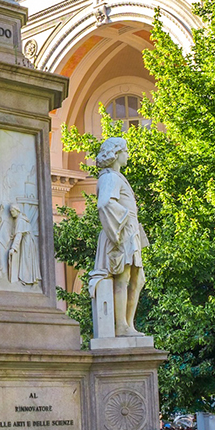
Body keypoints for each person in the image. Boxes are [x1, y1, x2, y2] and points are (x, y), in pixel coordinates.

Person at [88, 136, 149, 338]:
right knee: (122, 278)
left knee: (138, 280)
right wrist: (122, 223)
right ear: (115, 154)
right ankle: (122, 326)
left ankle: (129, 325)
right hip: (121, 232)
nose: (128, 155)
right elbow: (105, 203)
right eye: (125, 151)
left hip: (129, 232)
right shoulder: (110, 177)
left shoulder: (117, 177)